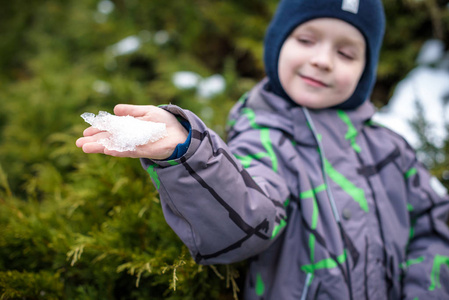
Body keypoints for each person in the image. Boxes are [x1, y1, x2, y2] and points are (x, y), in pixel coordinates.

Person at [76, 0, 449, 298]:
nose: (322, 59)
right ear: (278, 44)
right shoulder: (265, 140)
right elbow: (247, 223)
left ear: (365, 72)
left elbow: (435, 227)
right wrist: (188, 151)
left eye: (347, 53)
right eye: (306, 40)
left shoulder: (390, 149)